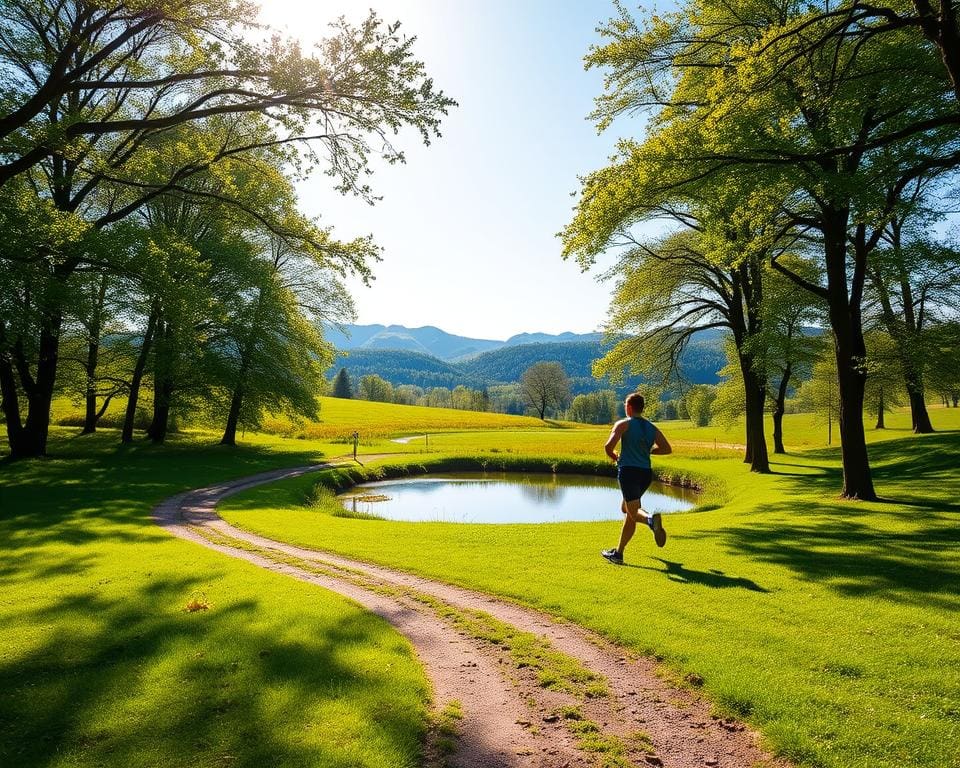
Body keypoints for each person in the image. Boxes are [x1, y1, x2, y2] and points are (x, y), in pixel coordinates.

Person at [601, 392, 672, 565]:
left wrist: (615, 456)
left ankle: (650, 520)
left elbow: (608, 447)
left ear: (630, 407)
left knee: (633, 512)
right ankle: (618, 553)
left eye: (625, 404)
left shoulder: (623, 424)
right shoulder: (651, 427)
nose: (625, 407)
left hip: (628, 472)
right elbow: (666, 448)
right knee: (627, 509)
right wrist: (648, 450)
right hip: (645, 474)